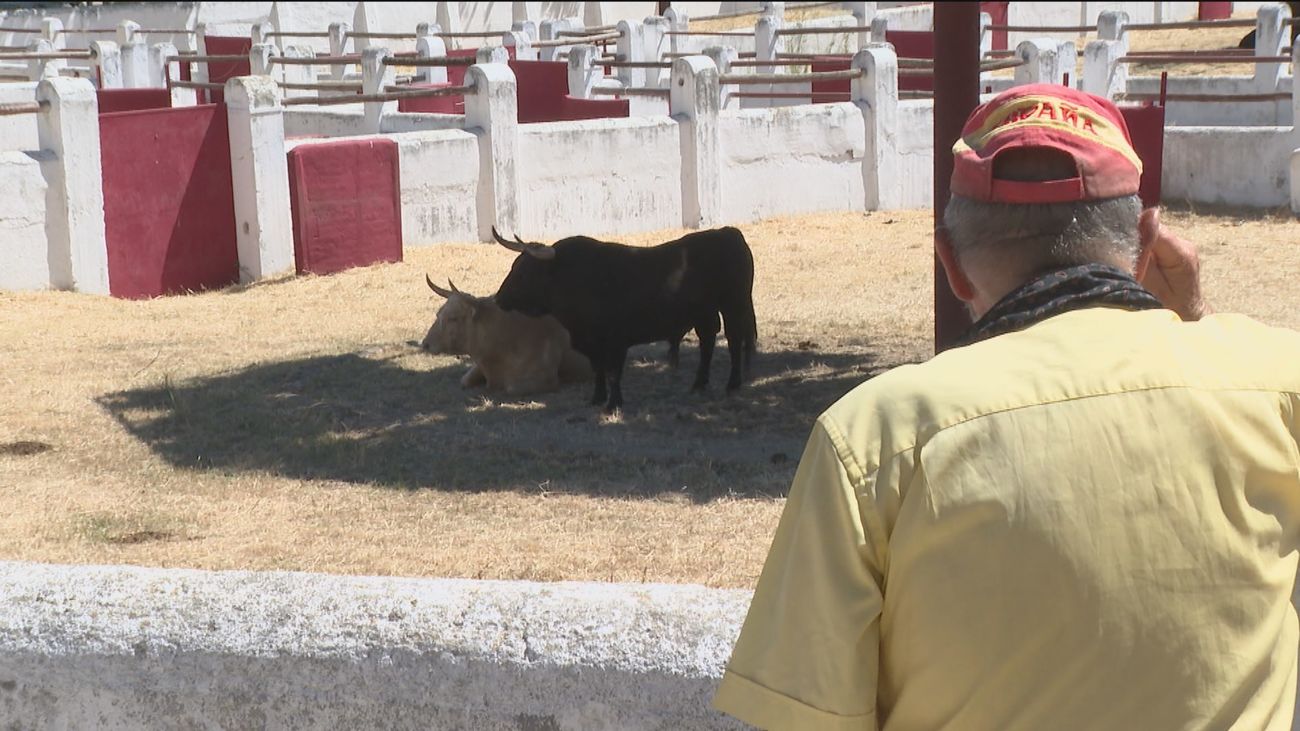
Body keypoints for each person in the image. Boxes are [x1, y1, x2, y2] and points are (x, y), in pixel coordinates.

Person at [712, 83, 1300, 730]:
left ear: (952, 265)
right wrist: (1196, 324)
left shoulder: (873, 437)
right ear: (1146, 240)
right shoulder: (1277, 383)